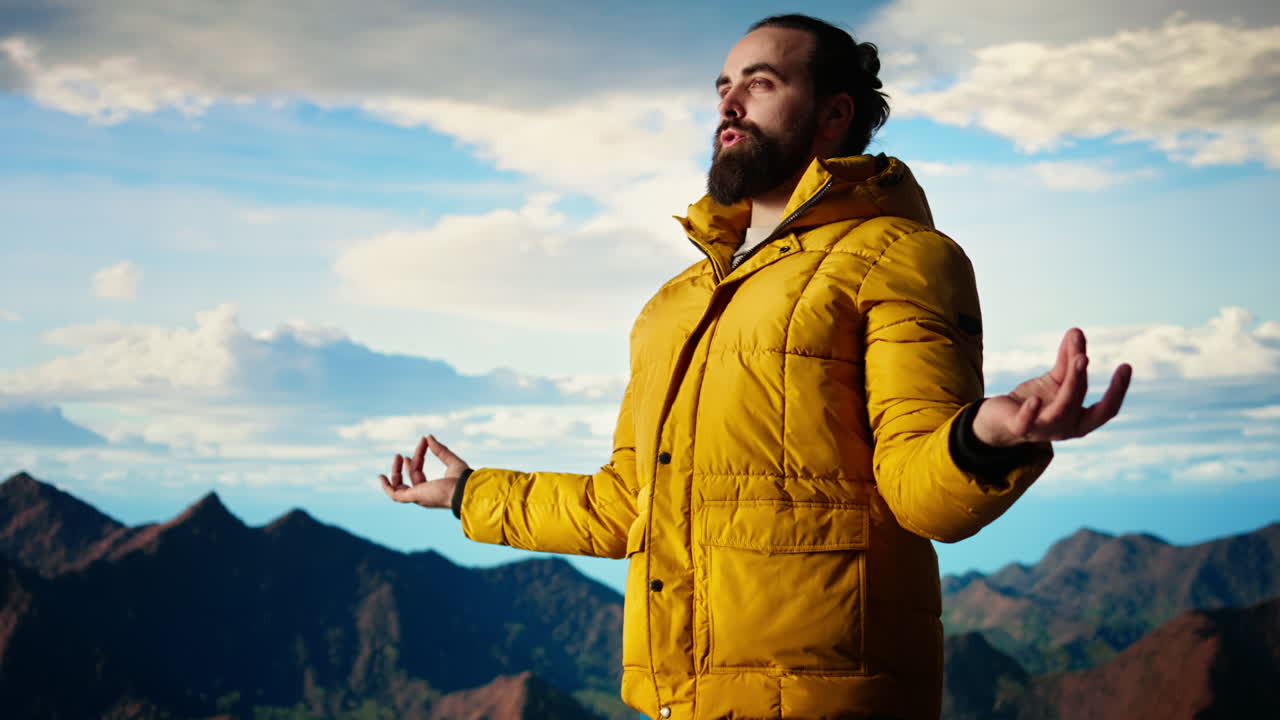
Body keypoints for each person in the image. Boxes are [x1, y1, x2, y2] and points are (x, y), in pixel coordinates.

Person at [376, 13, 1131, 720]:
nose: (729, 105)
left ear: (834, 115)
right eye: (723, 87)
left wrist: (985, 440)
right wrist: (469, 494)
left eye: (761, 83)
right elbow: (626, 505)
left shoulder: (902, 258)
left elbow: (920, 497)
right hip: (677, 701)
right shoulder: (675, 305)